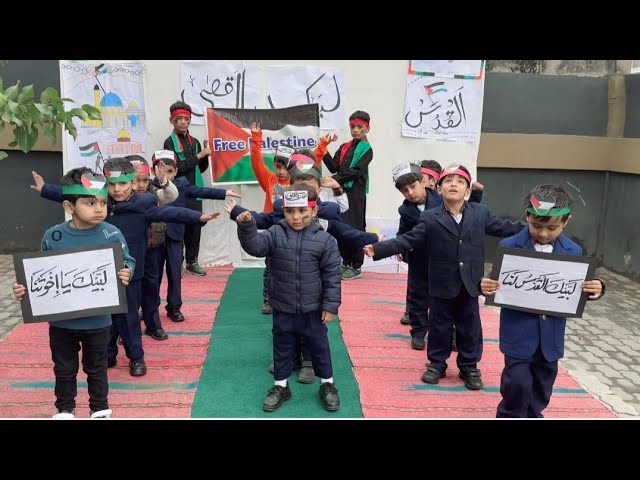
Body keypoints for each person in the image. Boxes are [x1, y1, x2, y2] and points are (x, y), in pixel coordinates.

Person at [364, 164, 525, 391]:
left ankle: (469, 366)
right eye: (448, 181)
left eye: (459, 182)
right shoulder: (430, 217)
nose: (453, 185)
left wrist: (534, 228)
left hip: (470, 283)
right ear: (438, 189)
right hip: (440, 283)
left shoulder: (481, 213)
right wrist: (380, 249)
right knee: (439, 326)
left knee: (470, 327)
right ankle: (437, 363)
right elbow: (409, 239)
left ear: (468, 190)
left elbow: (504, 227)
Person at [13, 168, 134, 419]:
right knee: (64, 368)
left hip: (99, 321)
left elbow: (128, 261)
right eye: (90, 203)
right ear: (69, 206)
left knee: (97, 367)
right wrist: (23, 288)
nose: (99, 209)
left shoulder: (112, 233)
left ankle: (99, 408)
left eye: (102, 202)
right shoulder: (53, 236)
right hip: (62, 323)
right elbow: (39, 273)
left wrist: (127, 272)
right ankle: (65, 408)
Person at [480, 184, 605, 418]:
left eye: (552, 228)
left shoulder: (574, 251)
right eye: (537, 225)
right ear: (527, 217)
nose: (544, 233)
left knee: (543, 385)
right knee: (516, 383)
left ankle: (534, 414)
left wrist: (597, 288)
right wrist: (485, 285)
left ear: (566, 222)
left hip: (551, 336)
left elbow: (581, 286)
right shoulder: (509, 246)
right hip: (518, 332)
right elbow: (495, 281)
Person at [232, 185, 342, 412]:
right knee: (282, 348)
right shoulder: (274, 233)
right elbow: (255, 247)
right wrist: (246, 226)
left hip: (313, 310)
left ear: (314, 210)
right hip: (282, 307)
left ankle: (327, 384)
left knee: (320, 347)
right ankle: (281, 386)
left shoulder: (325, 240)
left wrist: (330, 305)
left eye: (302, 211)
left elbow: (332, 276)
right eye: (290, 211)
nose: (297, 217)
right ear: (283, 210)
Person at [318, 110, 373, 280]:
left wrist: (334, 180)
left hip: (355, 194)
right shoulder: (344, 147)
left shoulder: (367, 150)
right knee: (341, 225)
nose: (355, 130)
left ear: (367, 128)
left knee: (355, 227)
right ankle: (345, 263)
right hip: (339, 191)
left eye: (359, 127)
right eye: (352, 127)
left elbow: (355, 172)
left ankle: (356, 266)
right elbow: (334, 166)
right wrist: (323, 147)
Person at [164, 100, 212, 277]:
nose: (183, 122)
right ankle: (177, 264)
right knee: (178, 228)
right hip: (177, 191)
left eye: (186, 119)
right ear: (172, 121)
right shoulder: (169, 143)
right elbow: (178, 167)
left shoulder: (196, 142)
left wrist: (206, 155)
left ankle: (192, 262)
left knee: (195, 227)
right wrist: (200, 155)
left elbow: (201, 168)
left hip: (195, 190)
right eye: (179, 119)